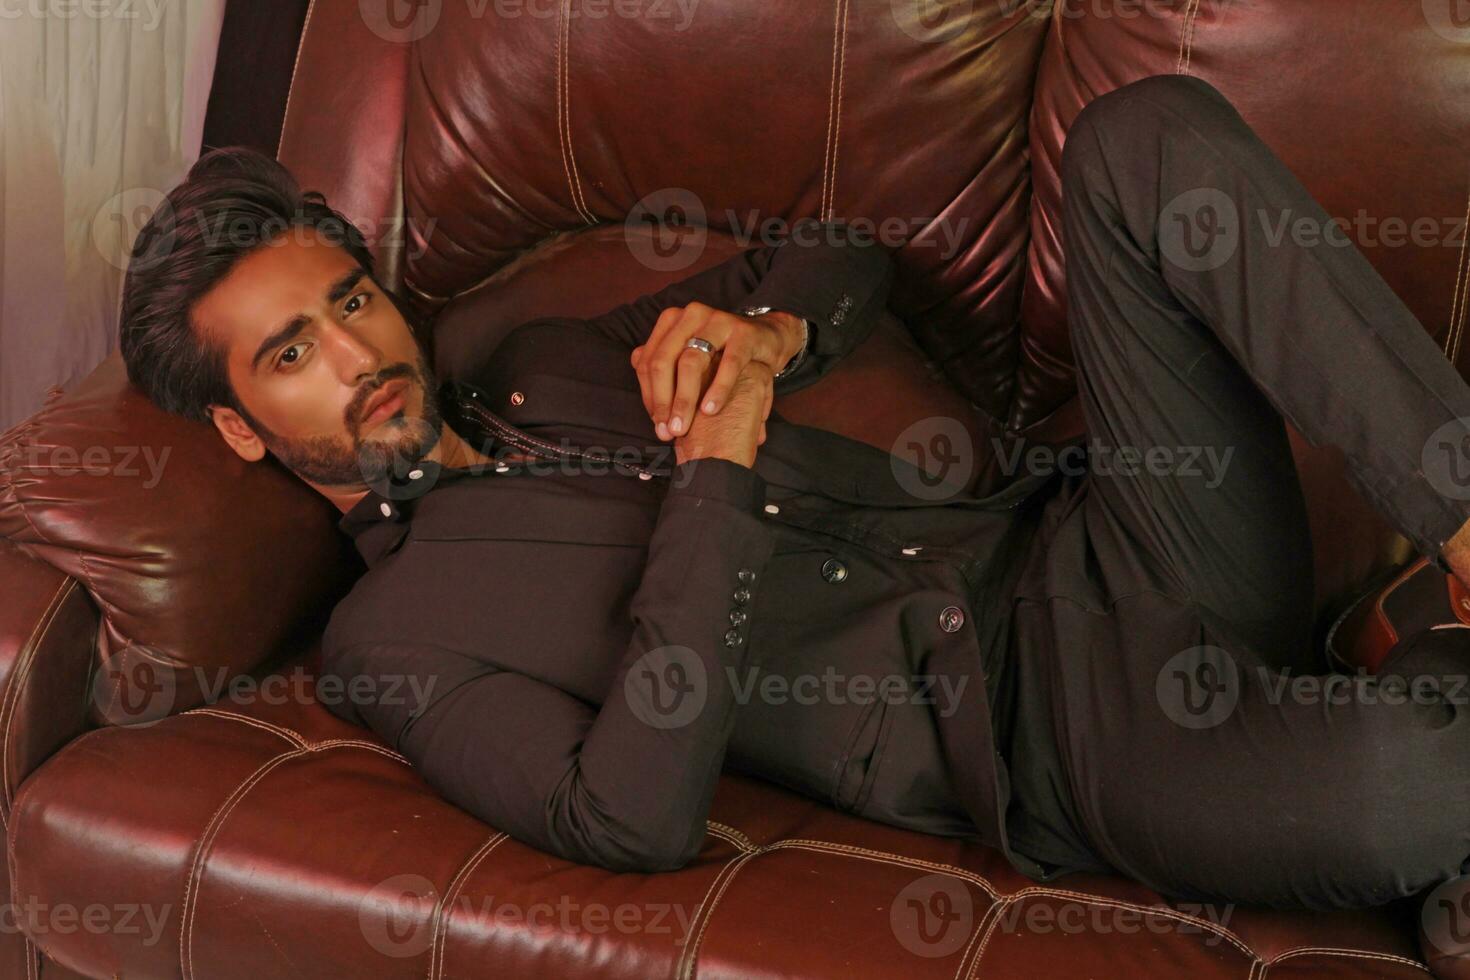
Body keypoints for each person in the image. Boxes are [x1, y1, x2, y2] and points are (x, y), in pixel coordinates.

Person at [118, 72, 1470, 911]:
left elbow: (837, 253)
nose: (356, 354)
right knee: (1411, 793)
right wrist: (712, 473)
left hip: (1112, 540)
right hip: (1063, 742)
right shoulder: (391, 639)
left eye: (348, 299)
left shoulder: (544, 365)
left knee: (1144, 136)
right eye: (292, 353)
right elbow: (622, 817)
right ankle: (1403, 675)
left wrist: (772, 339)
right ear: (242, 428)